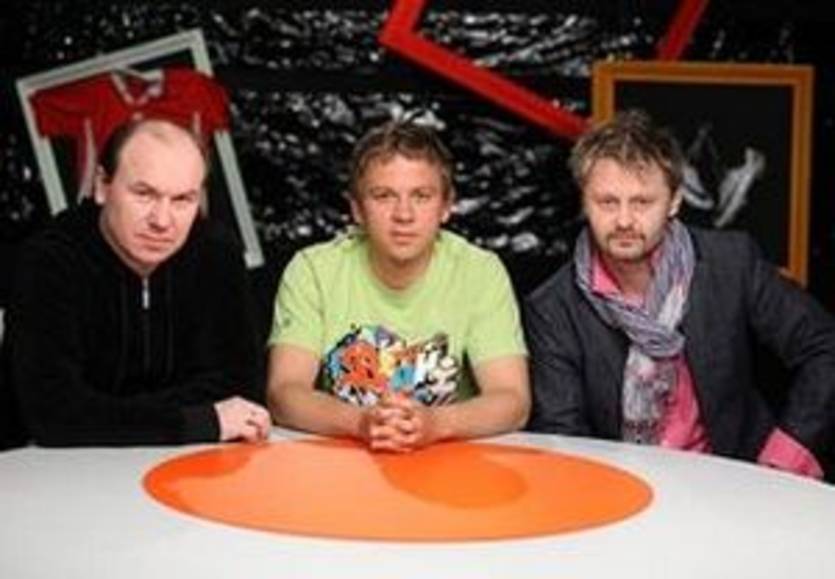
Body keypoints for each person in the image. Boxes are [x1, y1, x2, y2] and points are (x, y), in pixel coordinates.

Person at [525, 109, 835, 479]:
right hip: (623, 488)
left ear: (674, 201)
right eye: (607, 202)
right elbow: (563, 438)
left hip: (740, 479)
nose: (623, 220)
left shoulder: (730, 264)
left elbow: (824, 345)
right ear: (584, 202)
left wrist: (785, 456)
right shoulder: (553, 307)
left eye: (642, 202)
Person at [3, 118, 270, 447]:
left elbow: (242, 391)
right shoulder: (49, 260)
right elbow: (53, 414)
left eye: (182, 200)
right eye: (144, 194)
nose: (162, 221)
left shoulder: (217, 253)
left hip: (187, 461)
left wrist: (109, 413)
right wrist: (199, 419)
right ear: (102, 186)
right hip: (53, 467)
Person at [266, 120, 529, 452]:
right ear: (357, 209)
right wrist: (362, 422)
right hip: (342, 462)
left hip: (448, 462)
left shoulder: (479, 272)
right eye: (384, 196)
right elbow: (284, 393)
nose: (404, 215)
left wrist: (435, 424)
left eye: (421, 196)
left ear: (446, 206)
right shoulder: (313, 270)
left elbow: (513, 400)